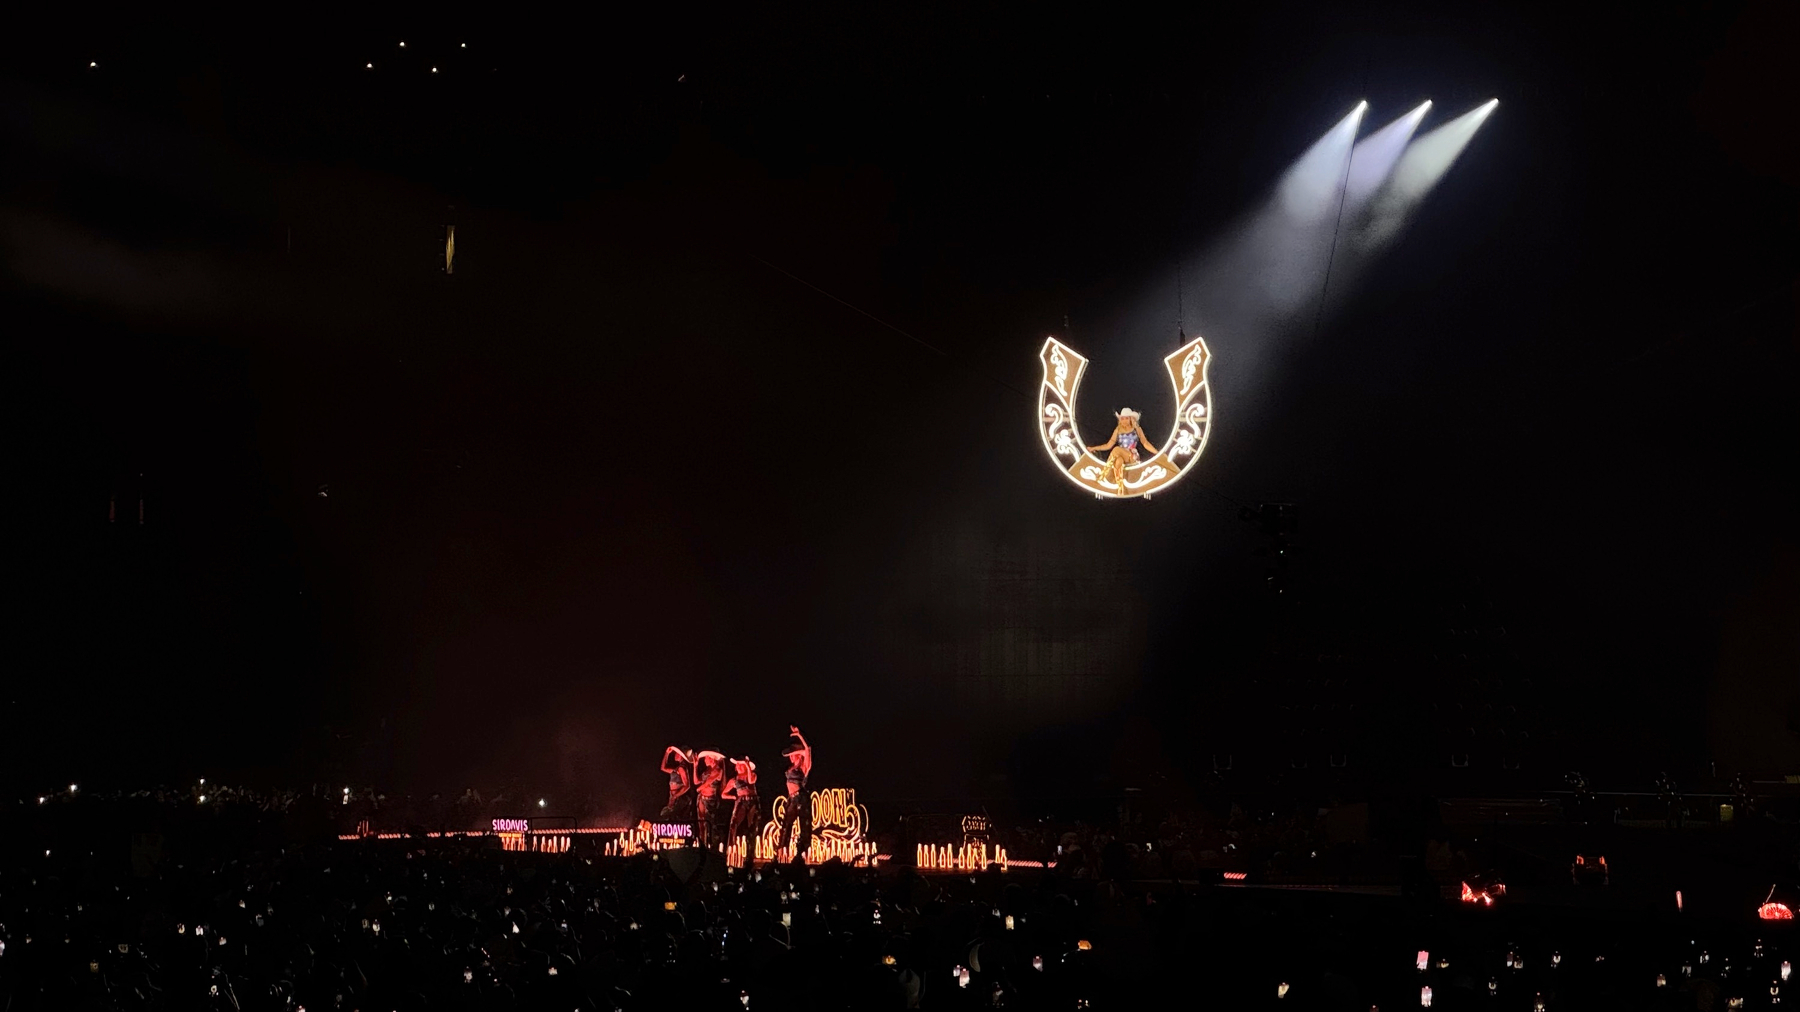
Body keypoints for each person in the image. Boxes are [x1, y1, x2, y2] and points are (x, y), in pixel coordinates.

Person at [1087, 408, 1158, 495]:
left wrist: (1157, 453)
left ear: (1131, 419)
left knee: (1116, 449)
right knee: (1118, 461)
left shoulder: (1137, 429)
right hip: (1121, 455)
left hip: (1132, 456)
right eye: (1122, 418)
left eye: (1126, 418)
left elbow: (1145, 443)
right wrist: (1093, 448)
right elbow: (1108, 445)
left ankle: (1103, 474)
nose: (1124, 420)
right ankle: (1121, 489)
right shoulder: (1118, 430)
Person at [776, 725, 813, 861]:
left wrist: (799, 735)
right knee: (786, 825)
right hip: (791, 798)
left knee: (804, 826)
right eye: (790, 756)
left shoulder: (804, 766)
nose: (791, 758)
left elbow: (807, 750)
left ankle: (803, 852)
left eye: (793, 755)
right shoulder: (791, 767)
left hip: (801, 797)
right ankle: (782, 851)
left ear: (798, 755)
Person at [722, 758, 761, 853]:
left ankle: (750, 851)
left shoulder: (752, 775)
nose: (739, 767)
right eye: (738, 765)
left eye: (741, 765)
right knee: (734, 823)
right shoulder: (734, 780)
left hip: (752, 801)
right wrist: (733, 797)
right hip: (741, 802)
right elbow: (723, 794)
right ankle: (731, 848)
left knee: (752, 826)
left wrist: (748, 766)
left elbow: (751, 781)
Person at [693, 751, 726, 846]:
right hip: (702, 798)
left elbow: (708, 782)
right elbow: (696, 781)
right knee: (701, 822)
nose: (704, 760)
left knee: (710, 823)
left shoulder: (718, 770)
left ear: (712, 759)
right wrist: (695, 766)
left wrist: (699, 788)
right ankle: (702, 843)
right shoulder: (707, 771)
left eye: (706, 758)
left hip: (710, 800)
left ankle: (711, 844)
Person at [658, 746, 695, 824]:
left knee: (673, 818)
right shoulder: (678, 768)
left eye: (677, 753)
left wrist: (675, 796)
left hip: (678, 798)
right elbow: (663, 768)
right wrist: (667, 753)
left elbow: (687, 785)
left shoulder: (681, 768)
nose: (675, 755)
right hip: (675, 796)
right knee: (671, 818)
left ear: (681, 756)